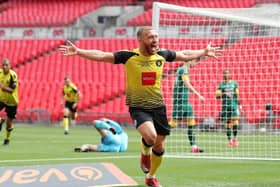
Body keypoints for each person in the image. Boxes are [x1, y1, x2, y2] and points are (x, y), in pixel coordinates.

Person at [59, 27, 221, 187]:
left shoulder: (162, 55)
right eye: (150, 37)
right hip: (138, 106)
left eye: (156, 37)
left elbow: (184, 55)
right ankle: (145, 154)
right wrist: (79, 51)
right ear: (141, 39)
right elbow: (102, 55)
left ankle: (151, 177)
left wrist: (203, 52)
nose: (155, 40)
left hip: (158, 107)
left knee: (159, 144)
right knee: (150, 137)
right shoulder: (128, 56)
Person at [169, 60, 205, 153]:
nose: (195, 63)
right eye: (194, 61)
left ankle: (194, 146)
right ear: (189, 61)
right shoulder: (184, 70)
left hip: (185, 102)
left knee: (191, 121)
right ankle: (155, 138)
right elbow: (187, 85)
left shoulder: (180, 70)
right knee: (172, 125)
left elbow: (174, 86)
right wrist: (199, 95)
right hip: (181, 102)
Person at [216, 69, 242, 147]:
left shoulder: (234, 84)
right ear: (223, 75)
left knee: (235, 120)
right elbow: (217, 96)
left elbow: (237, 96)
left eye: (227, 73)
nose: (226, 75)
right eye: (224, 73)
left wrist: (240, 107)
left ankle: (235, 139)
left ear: (230, 74)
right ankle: (229, 140)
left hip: (233, 105)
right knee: (227, 123)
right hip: (225, 106)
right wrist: (224, 93)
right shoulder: (221, 85)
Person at [0, 58, 18, 146]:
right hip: (1, 99)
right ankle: (0, 121)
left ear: (10, 66)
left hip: (12, 101)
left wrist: (3, 87)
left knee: (9, 123)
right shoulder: (0, 73)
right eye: (3, 65)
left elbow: (11, 90)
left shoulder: (13, 75)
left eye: (6, 65)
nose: (4, 67)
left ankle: (7, 139)